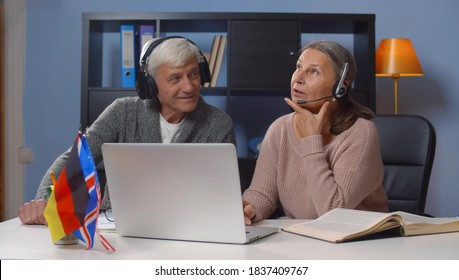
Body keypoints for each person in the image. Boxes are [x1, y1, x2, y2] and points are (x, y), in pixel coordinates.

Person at [19, 37, 236, 225]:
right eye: (175, 78)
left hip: (190, 229)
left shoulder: (218, 124)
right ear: (150, 85)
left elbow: (221, 194)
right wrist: (46, 201)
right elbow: (75, 160)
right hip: (117, 228)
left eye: (193, 74)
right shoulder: (122, 112)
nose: (189, 87)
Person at [243, 40, 388, 225]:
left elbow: (332, 211)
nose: (298, 78)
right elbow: (262, 193)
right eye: (298, 67)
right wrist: (250, 209)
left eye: (313, 71)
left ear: (340, 88)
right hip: (302, 238)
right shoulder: (279, 129)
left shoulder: (361, 133)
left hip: (357, 240)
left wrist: (311, 140)